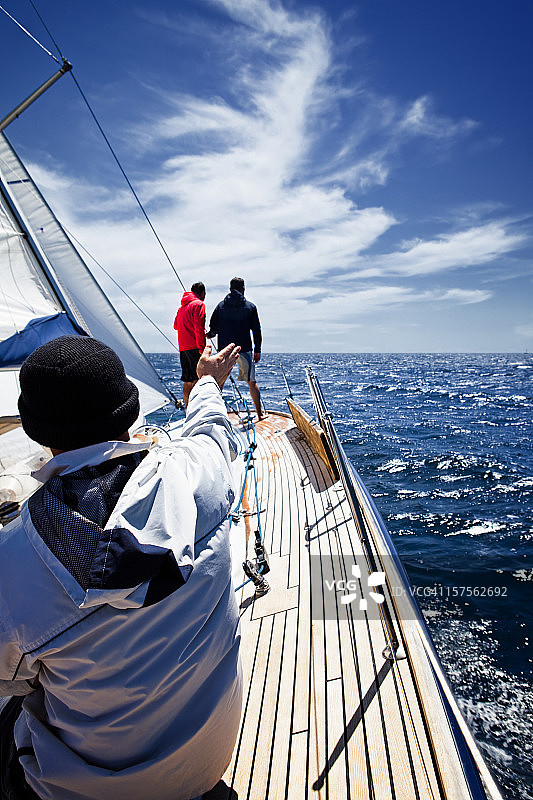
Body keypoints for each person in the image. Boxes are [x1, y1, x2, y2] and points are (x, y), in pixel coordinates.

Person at [0, 335, 243, 800]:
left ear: (33, 430)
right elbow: (210, 428)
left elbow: (11, 677)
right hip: (202, 771)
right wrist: (208, 381)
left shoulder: (13, 559)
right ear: (131, 411)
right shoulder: (200, 472)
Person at [208, 277, 264, 420]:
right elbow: (256, 330)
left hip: (225, 350)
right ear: (243, 289)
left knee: (219, 382)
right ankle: (259, 414)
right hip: (243, 349)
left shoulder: (220, 306)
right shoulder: (250, 307)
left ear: (230, 289)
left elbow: (213, 326)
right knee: (251, 382)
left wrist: (211, 334)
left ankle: (215, 416)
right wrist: (257, 349)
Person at [173, 281, 207, 406]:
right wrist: (202, 348)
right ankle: (197, 410)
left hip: (183, 348)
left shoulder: (181, 308)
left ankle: (189, 409)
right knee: (198, 380)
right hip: (195, 347)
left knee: (188, 381)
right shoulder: (199, 304)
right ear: (203, 293)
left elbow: (176, 326)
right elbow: (199, 327)